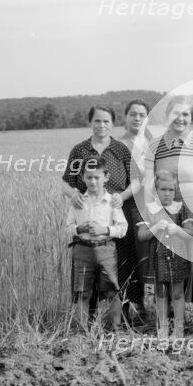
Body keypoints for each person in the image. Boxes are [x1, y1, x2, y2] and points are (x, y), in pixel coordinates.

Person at [143, 95, 193, 325]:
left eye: (185, 114)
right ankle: (171, 315)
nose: (181, 118)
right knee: (169, 260)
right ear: (167, 116)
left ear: (191, 117)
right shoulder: (155, 146)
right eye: (176, 114)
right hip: (168, 211)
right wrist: (155, 214)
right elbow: (148, 185)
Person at [62, 105, 133, 321]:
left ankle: (120, 320)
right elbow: (66, 181)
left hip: (115, 211)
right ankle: (89, 322)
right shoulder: (80, 151)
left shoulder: (120, 149)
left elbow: (136, 181)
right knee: (85, 279)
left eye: (106, 121)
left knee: (115, 275)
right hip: (86, 211)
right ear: (90, 122)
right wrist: (73, 195)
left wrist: (123, 196)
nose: (102, 125)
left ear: (112, 123)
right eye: (97, 121)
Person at [65, 157, 128, 332]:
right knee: (82, 292)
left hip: (105, 249)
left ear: (105, 177)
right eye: (89, 177)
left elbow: (123, 228)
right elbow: (68, 227)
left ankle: (115, 329)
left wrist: (104, 230)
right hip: (82, 250)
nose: (93, 181)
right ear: (83, 178)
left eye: (97, 177)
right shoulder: (78, 202)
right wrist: (79, 228)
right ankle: (81, 332)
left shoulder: (112, 202)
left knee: (111, 290)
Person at [135, 170, 193, 339]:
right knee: (161, 293)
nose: (167, 193)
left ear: (175, 191)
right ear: (156, 191)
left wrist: (177, 229)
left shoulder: (180, 208)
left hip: (178, 257)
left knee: (177, 293)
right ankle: (162, 328)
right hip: (158, 258)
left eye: (171, 190)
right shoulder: (150, 210)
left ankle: (179, 328)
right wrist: (155, 228)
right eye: (163, 190)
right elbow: (141, 235)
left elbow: (191, 233)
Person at [117, 99, 153, 324]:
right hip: (126, 207)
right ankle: (127, 308)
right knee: (127, 256)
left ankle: (148, 307)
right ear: (125, 117)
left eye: (141, 114)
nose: (137, 118)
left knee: (148, 259)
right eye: (133, 114)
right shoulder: (118, 145)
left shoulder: (152, 142)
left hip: (150, 206)